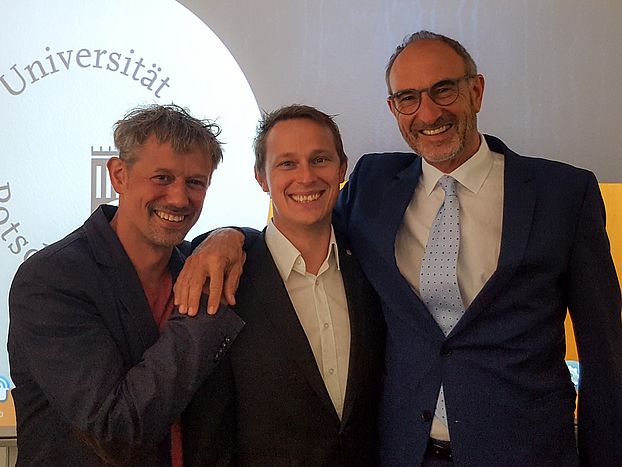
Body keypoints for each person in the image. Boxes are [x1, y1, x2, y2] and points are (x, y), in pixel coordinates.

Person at [175, 32, 622, 466]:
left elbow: (605, 353)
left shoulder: (562, 194)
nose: (428, 112)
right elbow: (303, 224)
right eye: (408, 98)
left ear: (476, 91)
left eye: (443, 90)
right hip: (402, 452)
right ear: (394, 108)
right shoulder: (374, 186)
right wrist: (228, 236)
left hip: (527, 451)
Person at [8, 104, 244, 466]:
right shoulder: (50, 280)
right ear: (119, 175)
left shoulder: (193, 265)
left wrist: (231, 234)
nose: (179, 198)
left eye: (195, 183)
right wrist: (203, 309)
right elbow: (117, 431)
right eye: (162, 178)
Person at [189, 105, 385, 466]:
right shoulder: (226, 280)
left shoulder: (374, 265)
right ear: (261, 177)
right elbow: (209, 429)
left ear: (342, 168)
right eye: (287, 164)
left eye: (320, 159)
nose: (306, 177)